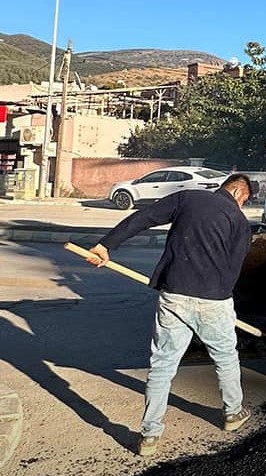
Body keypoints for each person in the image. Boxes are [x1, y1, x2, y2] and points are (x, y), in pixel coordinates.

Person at [83, 174, 256, 457]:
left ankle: (150, 435)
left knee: (163, 364)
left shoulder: (189, 198)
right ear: (238, 192)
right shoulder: (239, 223)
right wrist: (219, 298)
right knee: (225, 357)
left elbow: (144, 217)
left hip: (174, 294)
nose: (242, 207)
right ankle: (233, 414)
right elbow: (233, 269)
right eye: (244, 201)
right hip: (214, 300)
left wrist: (106, 245)